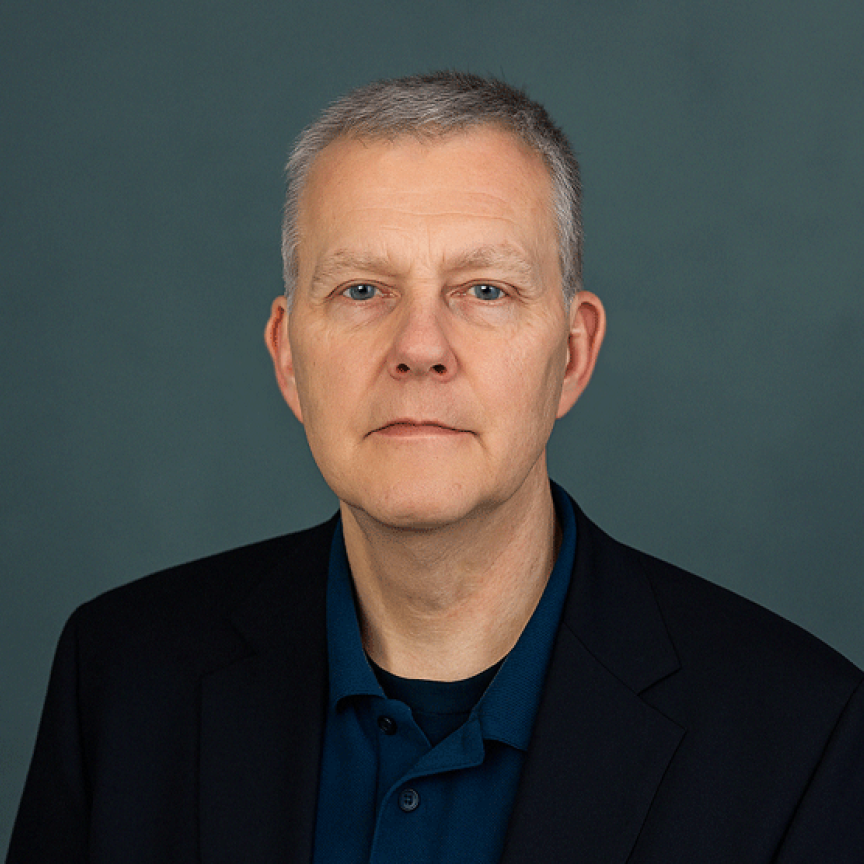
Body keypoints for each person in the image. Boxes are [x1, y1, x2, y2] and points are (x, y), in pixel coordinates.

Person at [7, 71, 863, 864]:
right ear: (289, 359)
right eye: (362, 291)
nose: (420, 349)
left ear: (571, 354)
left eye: (484, 290)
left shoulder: (802, 736)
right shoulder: (118, 679)